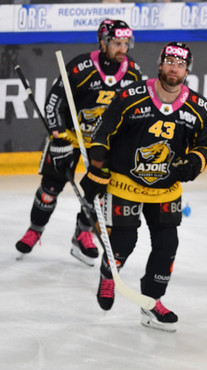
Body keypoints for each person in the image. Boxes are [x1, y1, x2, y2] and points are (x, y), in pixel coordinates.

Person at [83, 41, 207, 331]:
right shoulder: (131, 95)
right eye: (169, 62)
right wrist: (96, 171)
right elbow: (103, 133)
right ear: (160, 63)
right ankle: (109, 275)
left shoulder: (199, 107)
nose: (173, 68)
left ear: (187, 69)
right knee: (123, 243)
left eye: (180, 64)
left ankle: (152, 302)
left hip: (166, 189)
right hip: (125, 184)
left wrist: (194, 163)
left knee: (167, 245)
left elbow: (204, 146)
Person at [15, 19, 144, 266]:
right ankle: (35, 230)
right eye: (117, 43)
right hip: (70, 138)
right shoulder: (80, 67)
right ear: (103, 41)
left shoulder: (133, 72)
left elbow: (134, 113)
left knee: (97, 193)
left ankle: (82, 233)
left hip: (102, 145)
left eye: (126, 43)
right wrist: (58, 137)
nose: (122, 48)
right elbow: (53, 103)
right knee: (49, 189)